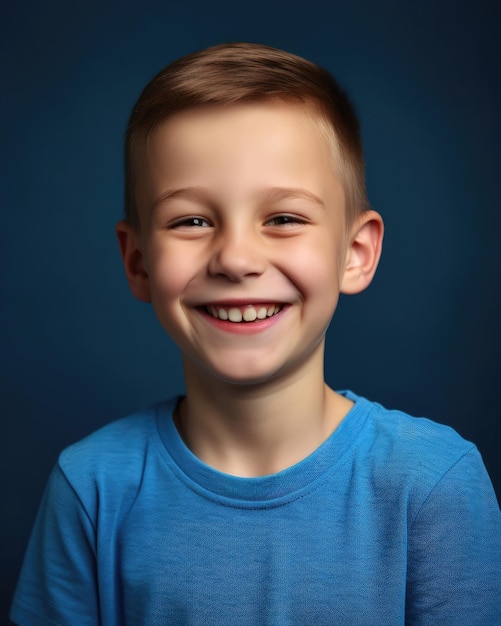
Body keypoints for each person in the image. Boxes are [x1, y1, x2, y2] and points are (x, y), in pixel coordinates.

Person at [10, 42, 500, 625]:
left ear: (355, 253)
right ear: (138, 261)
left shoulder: (433, 483)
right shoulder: (90, 486)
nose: (236, 259)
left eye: (284, 218)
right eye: (191, 220)